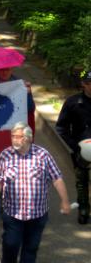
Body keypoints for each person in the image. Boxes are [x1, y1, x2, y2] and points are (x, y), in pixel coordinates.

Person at [0, 122, 70, 263]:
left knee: (30, 250)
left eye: (19, 137)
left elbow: (57, 178)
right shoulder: (5, 155)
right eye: (13, 136)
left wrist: (65, 201)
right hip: (12, 213)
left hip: (37, 214)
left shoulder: (43, 155)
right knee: (10, 245)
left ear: (29, 138)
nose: (14, 139)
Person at [55, 70, 91, 224]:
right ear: (84, 84)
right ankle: (84, 209)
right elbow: (61, 127)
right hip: (80, 149)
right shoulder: (73, 102)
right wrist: (74, 146)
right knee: (81, 180)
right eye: (90, 83)